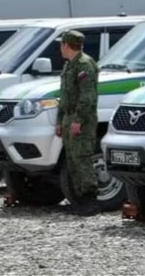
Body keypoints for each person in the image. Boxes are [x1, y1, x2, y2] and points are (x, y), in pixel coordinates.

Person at [55, 30, 100, 216]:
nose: (60, 48)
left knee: (82, 159)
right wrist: (59, 120)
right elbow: (64, 95)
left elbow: (87, 96)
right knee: (72, 160)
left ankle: (90, 200)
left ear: (67, 45)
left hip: (81, 120)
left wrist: (78, 120)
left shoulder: (84, 64)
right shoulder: (70, 65)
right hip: (68, 117)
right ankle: (79, 200)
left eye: (61, 44)